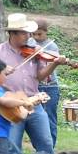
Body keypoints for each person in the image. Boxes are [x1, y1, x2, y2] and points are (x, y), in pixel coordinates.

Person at [0, 13, 67, 154]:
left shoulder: (34, 51)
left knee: (46, 143)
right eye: (24, 32)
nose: (29, 36)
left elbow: (40, 76)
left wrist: (54, 64)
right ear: (12, 33)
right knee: (13, 147)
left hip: (33, 102)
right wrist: (2, 70)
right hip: (11, 105)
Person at [0, 57, 43, 154]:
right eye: (4, 74)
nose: (6, 78)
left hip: (0, 133)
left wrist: (31, 101)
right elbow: (5, 102)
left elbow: (13, 107)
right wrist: (24, 103)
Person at [29, 18, 61, 147]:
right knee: (35, 119)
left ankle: (50, 147)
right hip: (35, 86)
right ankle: (38, 147)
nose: (36, 37)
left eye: (40, 34)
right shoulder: (29, 43)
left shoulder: (52, 46)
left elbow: (49, 67)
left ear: (46, 32)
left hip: (50, 86)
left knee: (50, 118)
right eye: (34, 34)